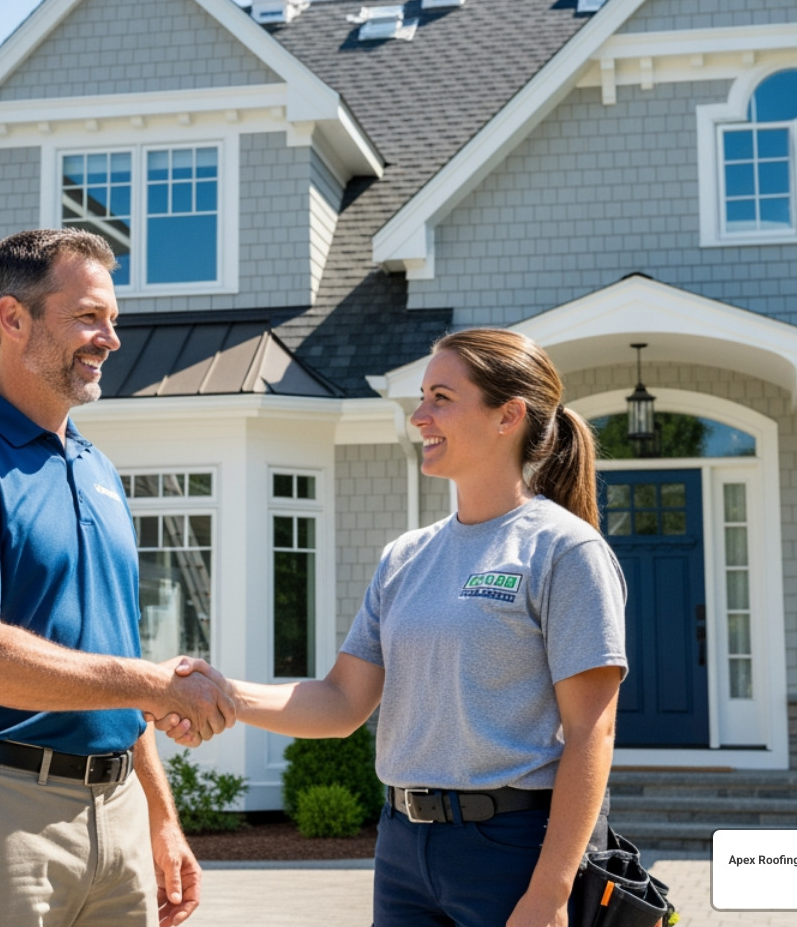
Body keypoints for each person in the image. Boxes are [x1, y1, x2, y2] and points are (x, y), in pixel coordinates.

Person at [168, 328, 628, 927]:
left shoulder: (565, 551)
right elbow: (339, 703)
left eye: (441, 397)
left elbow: (592, 733)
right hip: (403, 852)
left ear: (507, 416)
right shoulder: (406, 557)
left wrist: (550, 893)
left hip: (514, 850)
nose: (419, 416)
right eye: (421, 398)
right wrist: (221, 692)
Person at [0, 228, 235, 927]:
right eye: (88, 317)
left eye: (112, 320)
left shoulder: (97, 470)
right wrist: (155, 683)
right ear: (14, 319)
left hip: (117, 809)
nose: (110, 339)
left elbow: (106, 655)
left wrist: (160, 818)